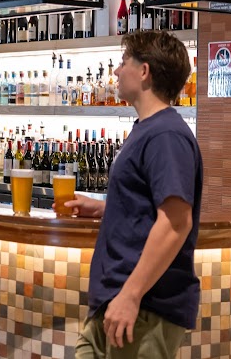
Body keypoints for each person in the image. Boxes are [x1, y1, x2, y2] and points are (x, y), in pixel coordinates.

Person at [67, 31, 203, 358]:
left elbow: (175, 222)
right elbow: (150, 207)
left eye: (123, 62)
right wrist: (107, 208)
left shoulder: (166, 134)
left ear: (144, 72)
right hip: (118, 300)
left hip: (143, 307)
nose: (116, 71)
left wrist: (131, 294)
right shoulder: (149, 129)